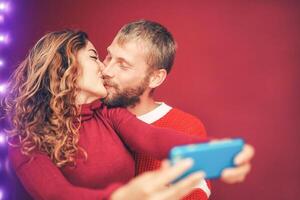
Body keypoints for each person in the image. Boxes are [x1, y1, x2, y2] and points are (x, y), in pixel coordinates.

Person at [2, 30, 250, 200]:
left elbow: (153, 139)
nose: (104, 68)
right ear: (65, 67)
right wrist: (122, 196)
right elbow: (60, 196)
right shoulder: (25, 143)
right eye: (95, 57)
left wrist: (223, 153)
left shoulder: (108, 115)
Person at [102, 20, 254, 199]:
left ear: (155, 78)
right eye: (108, 57)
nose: (107, 71)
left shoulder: (185, 127)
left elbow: (196, 191)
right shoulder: (92, 115)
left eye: (123, 65)